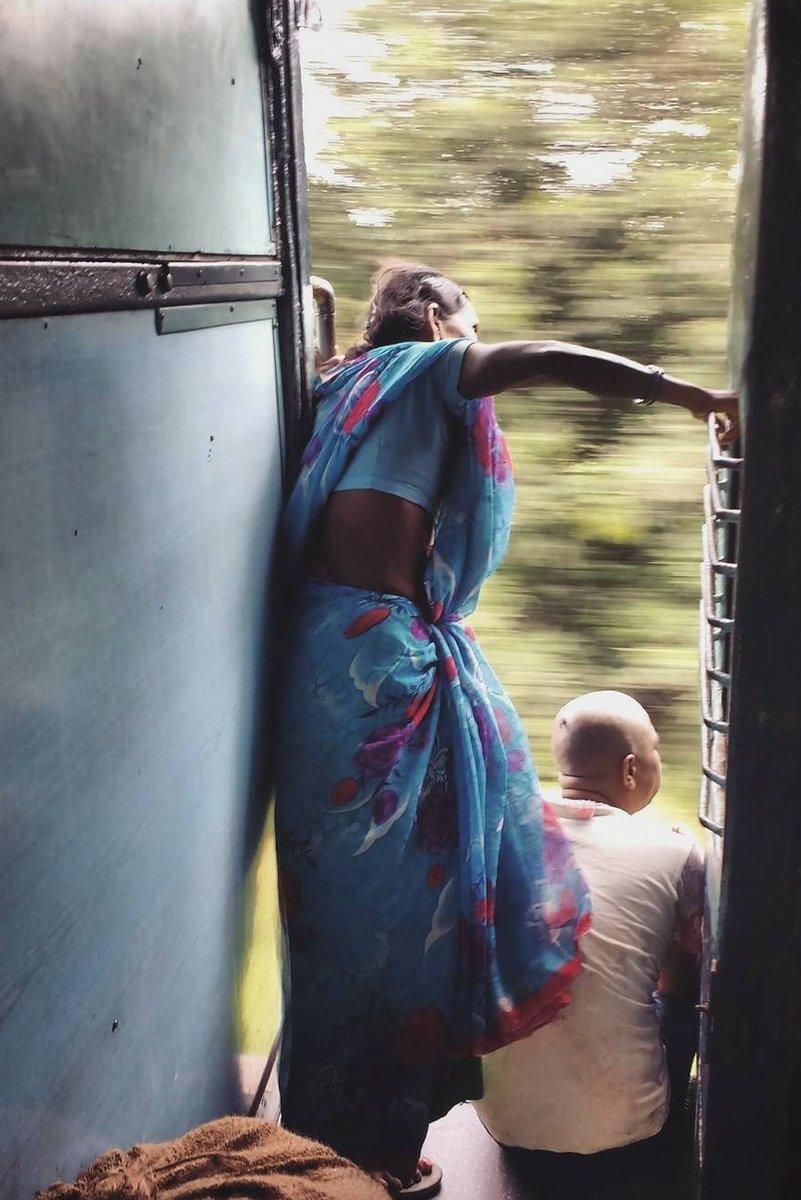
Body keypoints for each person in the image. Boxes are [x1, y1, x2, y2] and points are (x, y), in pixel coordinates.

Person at [274, 262, 733, 1196]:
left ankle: (323, 1140)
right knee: (407, 921)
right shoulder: (431, 367)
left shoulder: (335, 387)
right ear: (439, 319)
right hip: (383, 672)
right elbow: (544, 359)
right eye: (467, 324)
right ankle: (380, 1152)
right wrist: (677, 390)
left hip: (316, 659)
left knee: (330, 915)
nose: (474, 343)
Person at [474, 691, 705, 1184]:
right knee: (684, 993)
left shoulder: (497, 832)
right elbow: (681, 978)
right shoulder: (674, 851)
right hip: (633, 1137)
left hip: (504, 1125)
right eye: (655, 751)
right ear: (629, 771)